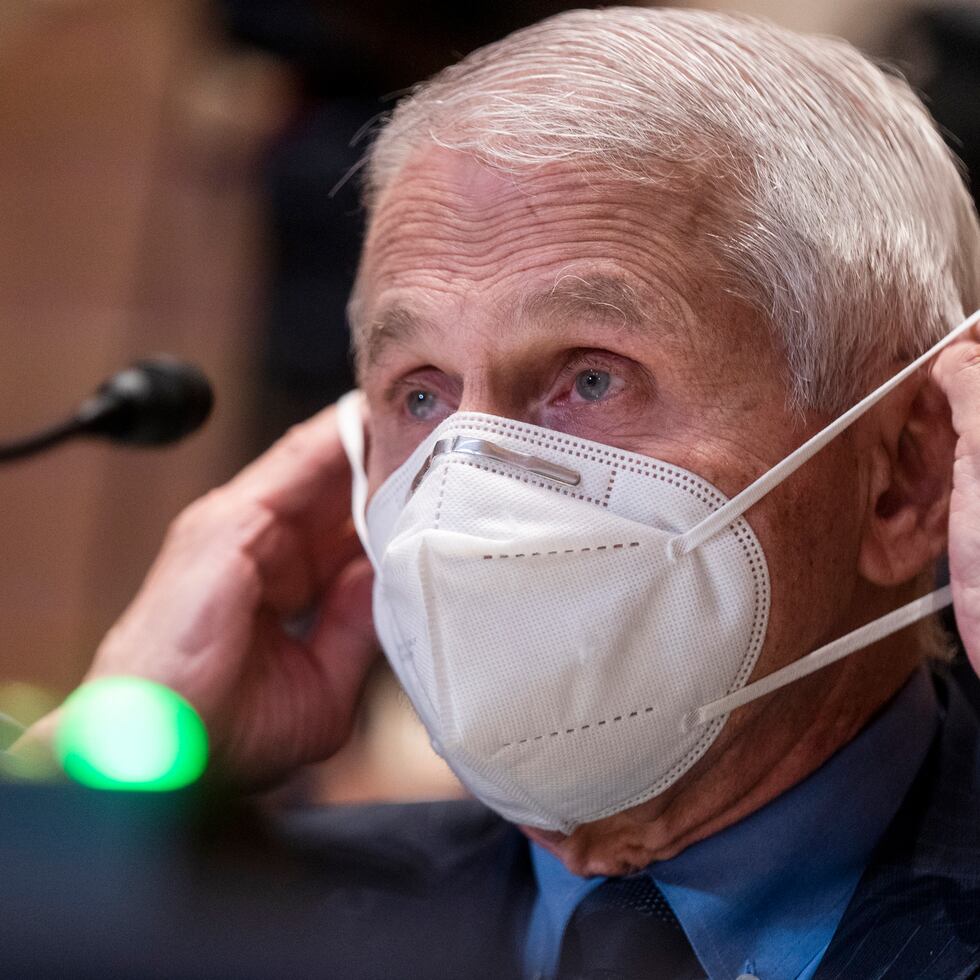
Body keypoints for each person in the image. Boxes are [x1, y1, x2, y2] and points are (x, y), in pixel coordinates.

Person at [14, 7, 980, 978]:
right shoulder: (243, 918)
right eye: (420, 392)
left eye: (590, 377)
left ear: (898, 477)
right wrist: (106, 756)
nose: (467, 483)